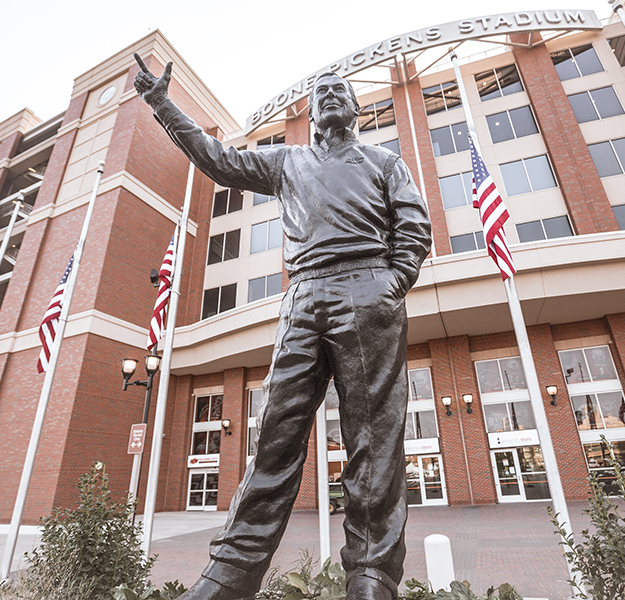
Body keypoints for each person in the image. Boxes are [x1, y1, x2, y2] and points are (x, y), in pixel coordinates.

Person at [133, 54, 432, 600]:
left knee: (374, 438)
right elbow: (217, 159)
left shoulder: (384, 161)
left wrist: (394, 280)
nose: (331, 96)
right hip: (303, 297)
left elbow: (414, 224)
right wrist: (162, 105)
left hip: (368, 288)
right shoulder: (287, 162)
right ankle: (230, 574)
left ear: (357, 110)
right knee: (275, 435)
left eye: (341, 91)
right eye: (322, 94)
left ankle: (371, 577)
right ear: (313, 115)